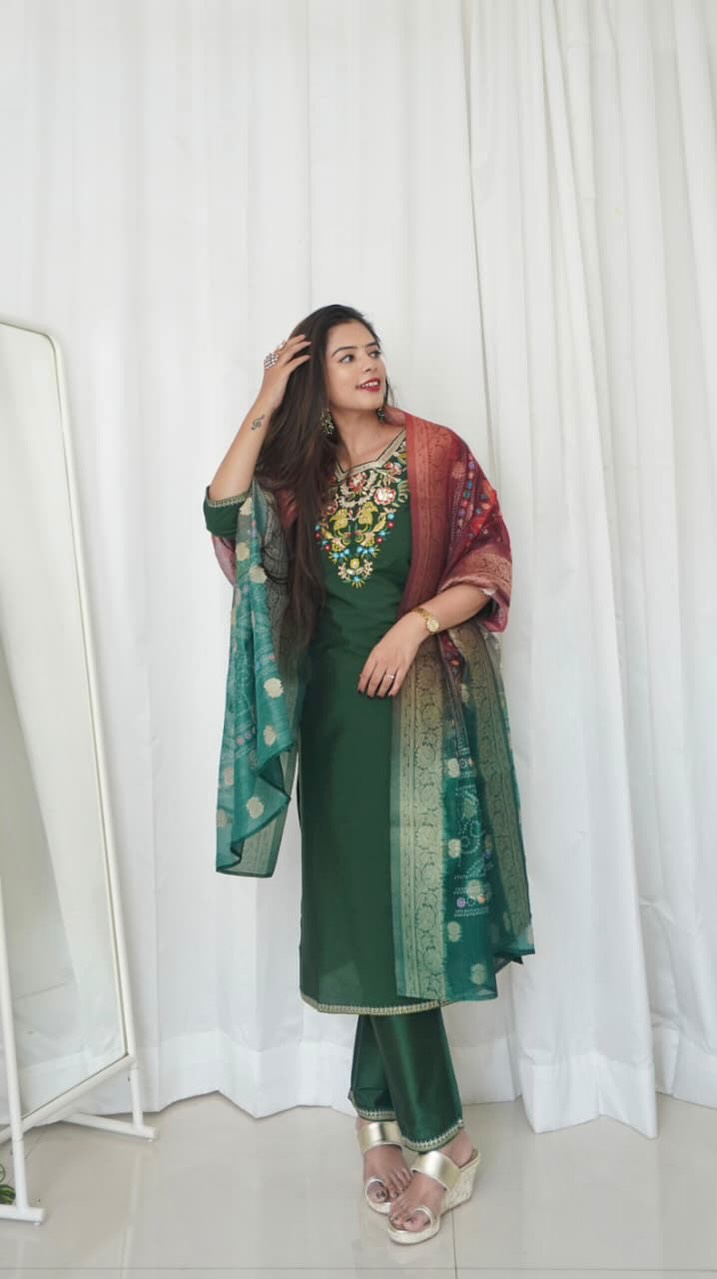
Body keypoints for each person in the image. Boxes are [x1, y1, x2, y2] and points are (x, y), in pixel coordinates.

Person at [202, 303, 535, 1245]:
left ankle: (442, 1138)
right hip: (332, 721)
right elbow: (223, 513)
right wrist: (266, 397)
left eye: (372, 350)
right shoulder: (297, 478)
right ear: (314, 378)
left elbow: (487, 561)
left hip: (419, 711)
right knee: (360, 913)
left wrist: (414, 625)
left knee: (405, 918)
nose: (368, 365)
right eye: (344, 355)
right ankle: (376, 1119)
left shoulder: (434, 453)